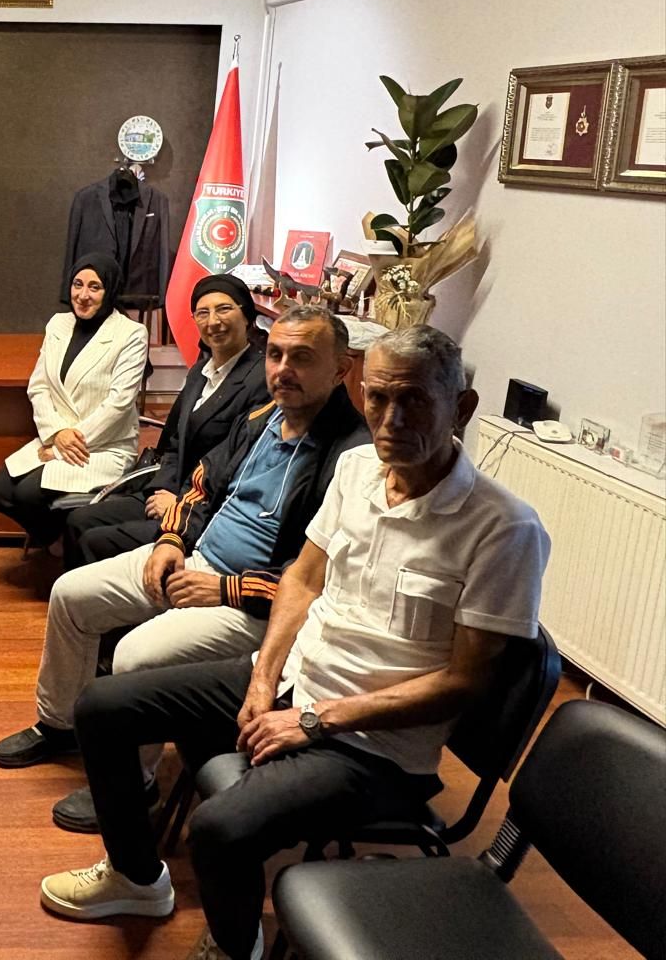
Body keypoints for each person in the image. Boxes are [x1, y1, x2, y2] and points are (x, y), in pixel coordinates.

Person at [38, 326, 550, 960]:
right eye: (378, 397)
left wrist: (313, 720)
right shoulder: (359, 470)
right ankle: (136, 879)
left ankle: (235, 948)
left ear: (461, 408)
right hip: (290, 683)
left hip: (373, 747)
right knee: (102, 707)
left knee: (217, 828)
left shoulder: (505, 529)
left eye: (414, 400)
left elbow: (464, 682)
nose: (390, 420)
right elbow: (303, 580)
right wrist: (261, 681)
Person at [0, 305, 369, 837]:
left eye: (302, 358)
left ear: (341, 368)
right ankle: (59, 726)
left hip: (253, 605)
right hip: (195, 559)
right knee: (71, 595)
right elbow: (202, 481)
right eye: (276, 355)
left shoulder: (352, 458)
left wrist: (224, 588)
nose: (283, 369)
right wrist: (172, 538)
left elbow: (318, 580)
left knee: (136, 655)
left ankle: (135, 783)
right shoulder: (263, 417)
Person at [63, 273, 268, 568]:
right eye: (202, 313)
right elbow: (174, 443)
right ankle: (76, 596)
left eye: (224, 309)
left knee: (95, 541)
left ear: (247, 316)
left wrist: (180, 504)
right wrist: (167, 488)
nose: (213, 321)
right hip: (170, 491)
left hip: (204, 511)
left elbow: (237, 465)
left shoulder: (260, 380)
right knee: (78, 520)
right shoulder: (200, 373)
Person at [0, 254, 147, 548]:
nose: (83, 295)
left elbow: (119, 404)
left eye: (94, 287)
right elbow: (39, 387)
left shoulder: (131, 334)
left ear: (110, 290)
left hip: (102, 447)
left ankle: (67, 544)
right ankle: (58, 538)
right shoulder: (58, 324)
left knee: (27, 494)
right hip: (57, 436)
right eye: (77, 284)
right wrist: (57, 433)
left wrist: (63, 448)